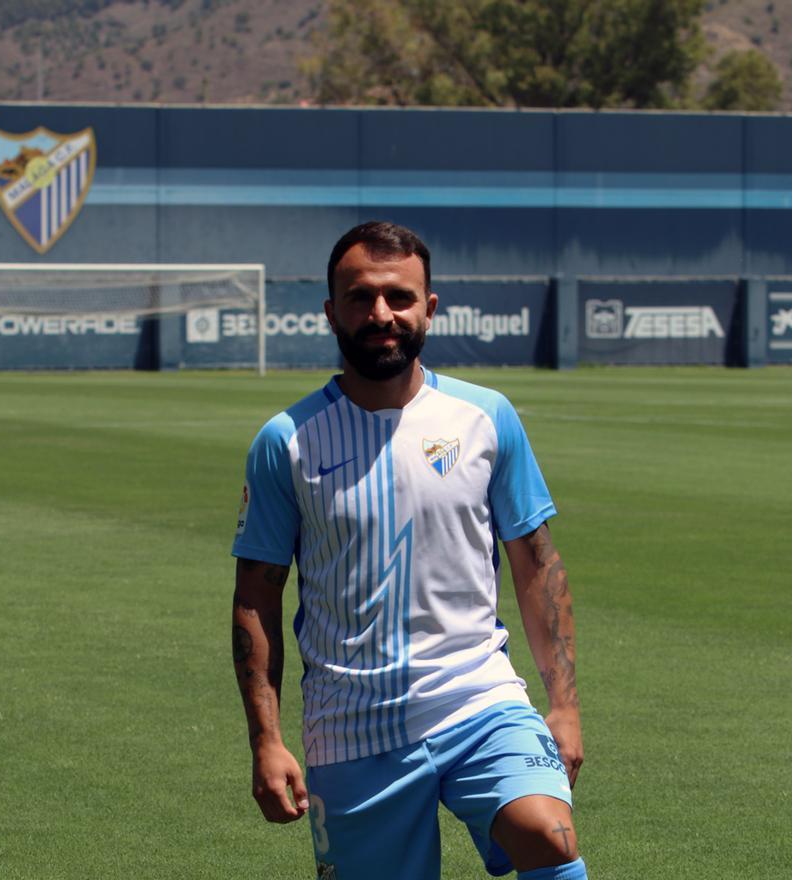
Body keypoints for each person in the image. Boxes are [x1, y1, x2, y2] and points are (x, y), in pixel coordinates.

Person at [231, 221, 587, 880]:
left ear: (429, 307)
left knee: (549, 834)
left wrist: (562, 703)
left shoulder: (485, 418)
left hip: (479, 699)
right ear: (331, 311)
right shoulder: (286, 442)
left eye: (398, 297)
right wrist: (267, 740)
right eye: (360, 297)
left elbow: (536, 565)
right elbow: (255, 597)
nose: (380, 314)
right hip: (352, 729)